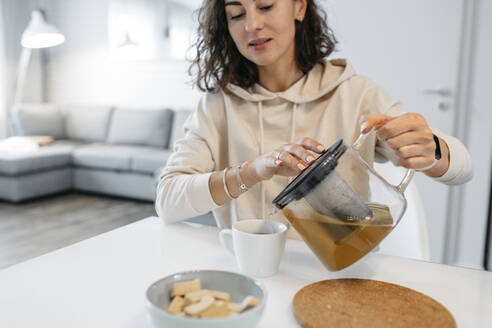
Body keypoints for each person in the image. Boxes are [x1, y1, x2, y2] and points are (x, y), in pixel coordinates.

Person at [155, 0, 472, 235]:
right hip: (254, 271)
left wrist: (433, 150)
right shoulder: (217, 105)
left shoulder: (354, 93)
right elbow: (167, 202)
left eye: (265, 5)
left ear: (299, 7)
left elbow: (462, 169)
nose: (251, 24)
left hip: (342, 269)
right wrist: (253, 171)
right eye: (236, 14)